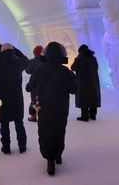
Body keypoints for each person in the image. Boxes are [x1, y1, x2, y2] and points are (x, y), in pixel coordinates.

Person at [28, 42, 77, 176]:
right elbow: (74, 89)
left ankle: (50, 159)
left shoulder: (39, 69)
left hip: (44, 107)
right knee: (59, 130)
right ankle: (58, 155)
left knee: (45, 131)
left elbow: (30, 85)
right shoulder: (65, 71)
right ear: (62, 55)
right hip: (61, 107)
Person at [0, 43, 29, 155]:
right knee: (19, 122)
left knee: (4, 123)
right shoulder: (18, 62)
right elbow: (26, 60)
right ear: (13, 51)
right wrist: (16, 50)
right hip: (17, 97)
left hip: (2, 96)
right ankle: (22, 146)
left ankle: (6, 147)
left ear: (1, 51)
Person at [71, 44, 101, 122]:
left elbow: (73, 68)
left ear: (80, 51)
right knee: (93, 96)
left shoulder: (79, 58)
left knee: (83, 97)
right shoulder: (93, 58)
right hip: (93, 80)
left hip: (82, 81)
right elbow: (96, 68)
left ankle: (84, 116)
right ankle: (93, 115)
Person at [25, 45, 43, 122]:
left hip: (34, 84)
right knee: (43, 99)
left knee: (34, 100)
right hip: (44, 83)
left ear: (35, 53)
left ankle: (33, 116)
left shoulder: (32, 61)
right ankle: (43, 116)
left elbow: (28, 71)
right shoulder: (46, 60)